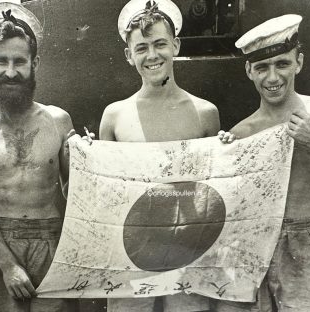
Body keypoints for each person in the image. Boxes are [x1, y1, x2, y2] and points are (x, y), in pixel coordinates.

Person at [217, 14, 310, 311]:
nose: (272, 77)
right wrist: (223, 159)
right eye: (262, 68)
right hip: (252, 246)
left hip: (306, 246)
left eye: (282, 64)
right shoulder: (241, 133)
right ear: (249, 71)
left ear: (298, 62)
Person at [99, 0, 226, 311]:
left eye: (160, 44)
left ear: (176, 46)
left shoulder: (205, 113)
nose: (152, 55)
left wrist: (228, 149)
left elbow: (214, 191)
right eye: (141, 48)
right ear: (129, 56)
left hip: (188, 252)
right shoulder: (114, 117)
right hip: (131, 253)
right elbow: (106, 195)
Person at [0, 3, 77, 311]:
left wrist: (87, 160)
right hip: (0, 249)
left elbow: (76, 192)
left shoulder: (58, 121)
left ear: (35, 62)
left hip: (53, 245)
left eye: (19, 61)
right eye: (1, 61)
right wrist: (8, 266)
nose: (10, 71)